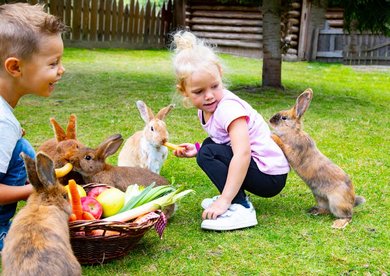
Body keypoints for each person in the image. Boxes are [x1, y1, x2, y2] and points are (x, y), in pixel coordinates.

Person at [171, 31, 290, 231]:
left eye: (215, 86)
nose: (209, 96)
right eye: (199, 92)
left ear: (220, 75)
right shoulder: (208, 110)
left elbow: (242, 154)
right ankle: (234, 196)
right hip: (257, 167)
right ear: (184, 91)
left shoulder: (228, 109)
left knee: (208, 153)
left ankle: (240, 206)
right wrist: (197, 148)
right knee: (207, 146)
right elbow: (221, 140)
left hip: (269, 175)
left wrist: (224, 200)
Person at [0, 3, 67, 250]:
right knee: (23, 152)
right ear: (15, 67)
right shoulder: (2, 122)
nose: (62, 70)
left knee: (19, 145)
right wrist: (33, 190)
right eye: (53, 63)